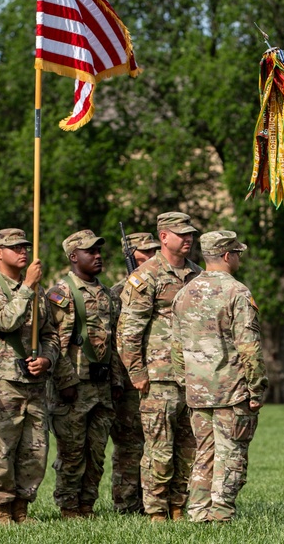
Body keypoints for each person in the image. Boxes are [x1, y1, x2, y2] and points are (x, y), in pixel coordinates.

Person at [172, 230, 267, 523]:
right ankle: (221, 512)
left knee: (204, 452)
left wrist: (183, 381)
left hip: (197, 391)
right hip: (231, 389)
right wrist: (257, 387)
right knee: (232, 453)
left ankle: (198, 511)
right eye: (237, 253)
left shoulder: (183, 292)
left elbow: (176, 346)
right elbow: (249, 347)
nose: (239, 258)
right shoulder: (237, 292)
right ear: (227, 256)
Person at [117, 212, 202, 522]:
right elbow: (128, 330)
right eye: (182, 234)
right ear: (164, 237)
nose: (188, 238)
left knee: (188, 448)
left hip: (193, 377)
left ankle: (179, 506)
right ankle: (155, 511)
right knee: (159, 449)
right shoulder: (147, 276)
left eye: (191, 233)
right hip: (159, 378)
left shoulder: (197, 275)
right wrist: (136, 372)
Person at [0, 228, 59, 525]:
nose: (23, 252)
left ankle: (22, 509)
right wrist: (27, 288)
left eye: (25, 246)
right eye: (15, 247)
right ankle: (1, 511)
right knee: (1, 448)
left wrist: (47, 359)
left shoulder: (39, 292)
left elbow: (50, 334)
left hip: (34, 383)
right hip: (1, 382)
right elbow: (5, 320)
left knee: (35, 449)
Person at [47, 229, 123, 519]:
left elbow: (113, 341)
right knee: (72, 453)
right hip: (73, 388)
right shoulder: (60, 293)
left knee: (96, 453)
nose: (98, 255)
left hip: (101, 387)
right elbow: (53, 341)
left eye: (98, 250)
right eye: (91, 251)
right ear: (73, 256)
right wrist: (64, 380)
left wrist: (115, 380)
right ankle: (68, 507)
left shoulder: (106, 294)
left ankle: (87, 505)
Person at [108, 231, 159, 515]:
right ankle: (127, 503)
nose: (151, 257)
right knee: (129, 444)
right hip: (128, 380)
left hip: (161, 375)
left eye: (154, 251)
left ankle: (157, 502)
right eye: (144, 253)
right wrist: (118, 379)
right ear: (130, 255)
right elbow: (115, 341)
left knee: (159, 443)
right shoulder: (117, 292)